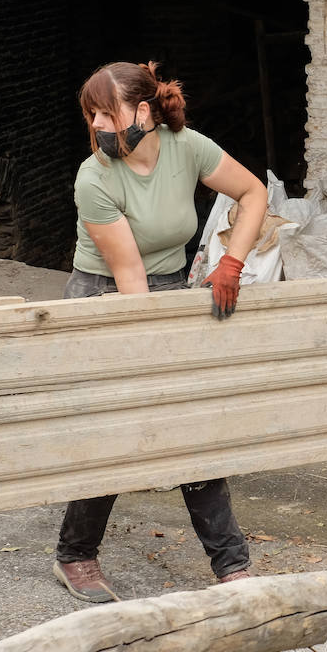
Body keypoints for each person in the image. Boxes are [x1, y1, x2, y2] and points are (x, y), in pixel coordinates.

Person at [52, 61, 268, 601]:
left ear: (143, 112)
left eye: (108, 113)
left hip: (170, 287)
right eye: (92, 116)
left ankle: (231, 567)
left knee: (188, 428)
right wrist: (155, 358)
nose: (99, 126)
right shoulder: (94, 177)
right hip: (106, 297)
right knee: (120, 432)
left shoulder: (186, 147)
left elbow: (254, 194)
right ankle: (75, 555)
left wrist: (232, 261)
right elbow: (129, 277)